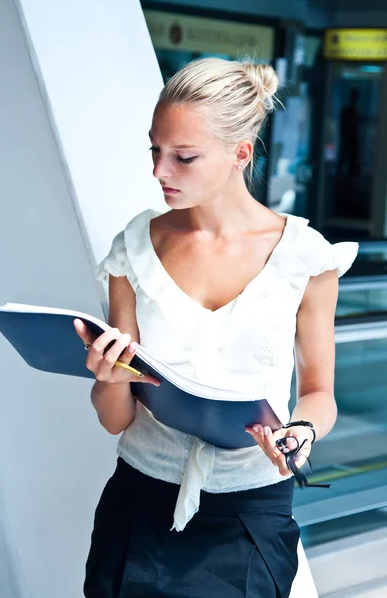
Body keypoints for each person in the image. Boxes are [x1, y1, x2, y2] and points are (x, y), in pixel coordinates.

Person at [74, 57, 358, 598]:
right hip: (139, 502)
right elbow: (116, 421)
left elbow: (319, 394)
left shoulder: (305, 258)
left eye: (183, 157)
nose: (160, 171)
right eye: (154, 151)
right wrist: (109, 379)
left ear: (240, 154)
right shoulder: (134, 248)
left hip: (250, 515)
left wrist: (300, 434)